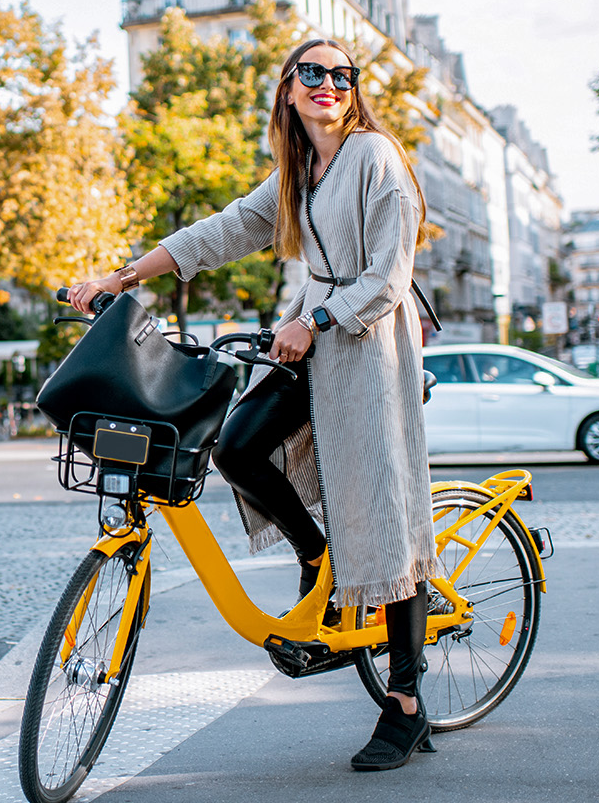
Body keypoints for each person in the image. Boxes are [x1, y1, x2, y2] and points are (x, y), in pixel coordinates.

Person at [66, 38, 440, 771]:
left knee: (380, 514)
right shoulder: (298, 172)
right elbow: (227, 229)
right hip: (311, 341)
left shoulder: (375, 158)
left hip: (364, 346)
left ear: (352, 90)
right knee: (236, 447)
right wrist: (122, 276)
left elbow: (391, 275)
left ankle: (406, 704)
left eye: (341, 74)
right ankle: (316, 553)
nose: (328, 83)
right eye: (312, 73)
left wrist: (317, 320)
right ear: (288, 91)